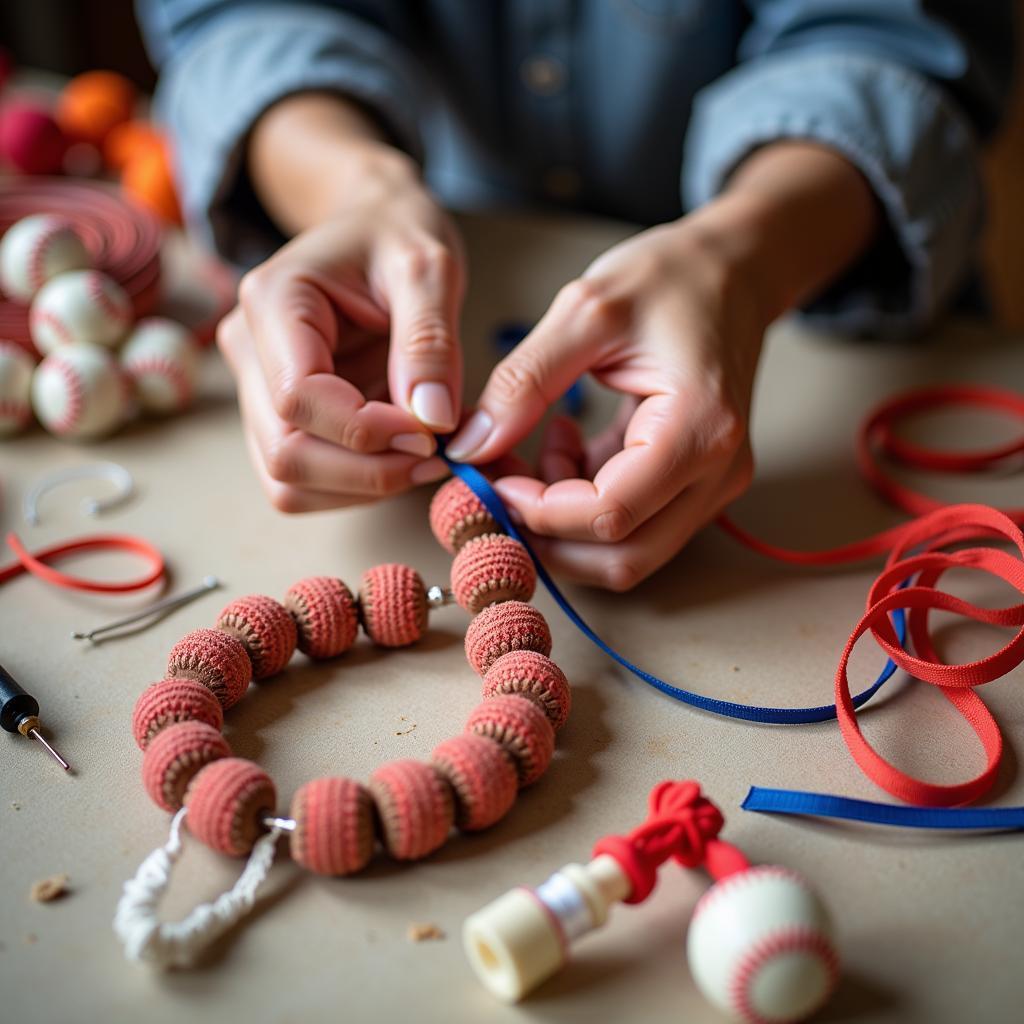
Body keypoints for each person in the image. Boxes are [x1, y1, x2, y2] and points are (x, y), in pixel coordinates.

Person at [138, 1, 1013, 589]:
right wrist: (352, 190)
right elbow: (236, 14)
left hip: (828, 298)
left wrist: (737, 261)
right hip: (448, 257)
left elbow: (885, 33)